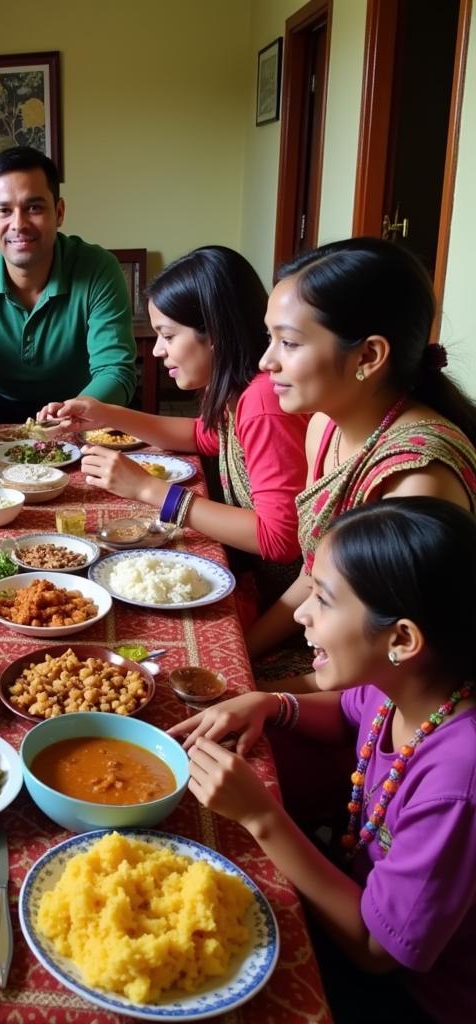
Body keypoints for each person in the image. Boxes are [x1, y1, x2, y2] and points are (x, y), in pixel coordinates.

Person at [171, 498, 476, 1024]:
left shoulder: (459, 780)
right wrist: (272, 703)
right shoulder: (408, 685)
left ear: (402, 638)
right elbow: (346, 713)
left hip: (412, 996)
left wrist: (262, 816)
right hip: (351, 877)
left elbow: (377, 952)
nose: (301, 613)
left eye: (324, 599)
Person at [247, 237, 476, 688]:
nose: (265, 361)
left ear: (368, 356)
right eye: (269, 338)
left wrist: (260, 690)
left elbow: (400, 668)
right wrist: (243, 650)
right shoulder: (325, 426)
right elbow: (314, 573)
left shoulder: (416, 479)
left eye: (288, 342)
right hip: (330, 650)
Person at [42, 246, 308, 621]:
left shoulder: (263, 402)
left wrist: (150, 491)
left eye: (167, 335)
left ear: (213, 331)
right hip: (259, 581)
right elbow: (201, 436)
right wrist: (106, 414)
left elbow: (278, 540)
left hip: (286, 606)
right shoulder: (240, 394)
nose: (157, 352)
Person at [0, 146, 137, 464]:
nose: (18, 224)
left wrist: (82, 407)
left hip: (74, 405)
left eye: (34, 207)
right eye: (3, 211)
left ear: (59, 212)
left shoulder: (98, 268)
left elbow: (116, 369)